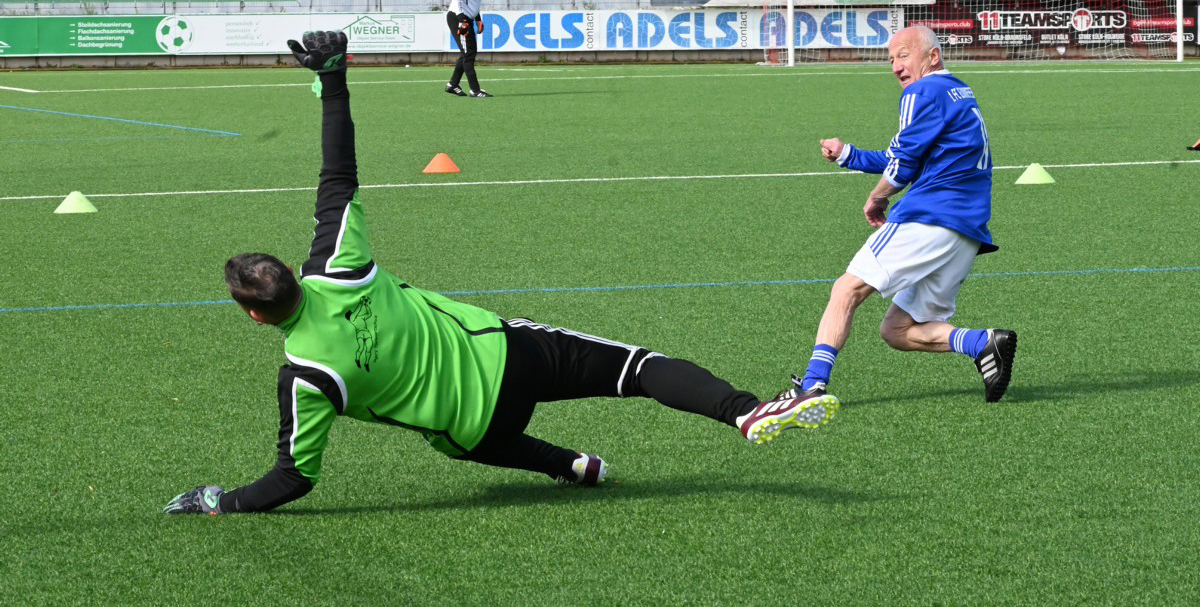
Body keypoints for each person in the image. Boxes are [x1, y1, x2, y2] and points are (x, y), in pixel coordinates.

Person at [164, 31, 840, 515]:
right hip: (508, 355)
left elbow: (293, 479)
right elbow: (337, 173)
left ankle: (574, 466)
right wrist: (333, 79)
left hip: (474, 429)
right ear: (291, 270)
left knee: (467, 442)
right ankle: (744, 411)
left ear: (253, 315)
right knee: (638, 368)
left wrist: (220, 500)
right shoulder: (340, 267)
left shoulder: (306, 378)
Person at [781, 25, 1017, 405]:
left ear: (933, 56)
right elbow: (906, 155)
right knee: (897, 329)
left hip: (929, 217)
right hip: (965, 232)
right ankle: (981, 343)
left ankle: (811, 386)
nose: (895, 66)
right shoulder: (957, 91)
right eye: (891, 59)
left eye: (904, 55)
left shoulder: (921, 92)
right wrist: (847, 154)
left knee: (846, 289)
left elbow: (903, 165)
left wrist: (876, 198)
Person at [444, 0, 491, 98]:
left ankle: (452, 85)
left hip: (468, 18)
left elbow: (473, 2)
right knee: (469, 53)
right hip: (457, 17)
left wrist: (478, 19)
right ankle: (475, 90)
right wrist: (463, 21)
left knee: (467, 52)